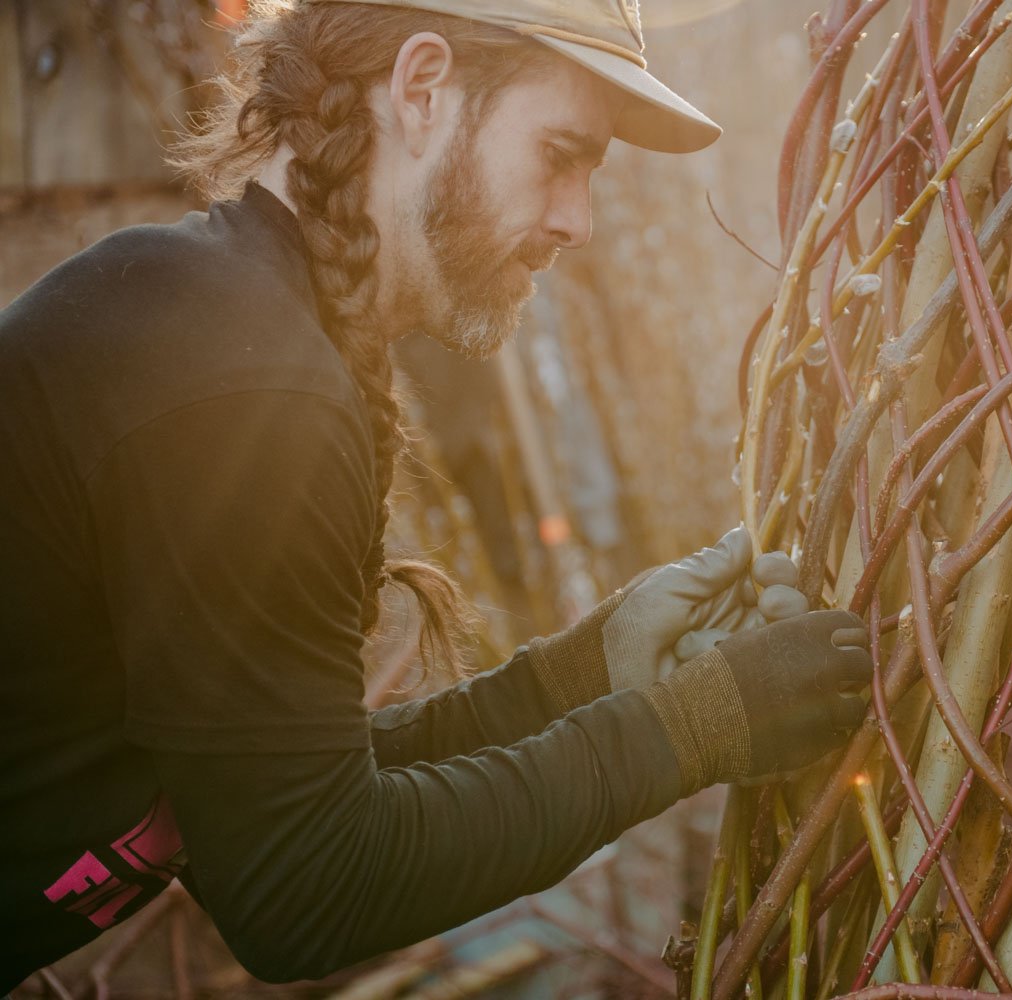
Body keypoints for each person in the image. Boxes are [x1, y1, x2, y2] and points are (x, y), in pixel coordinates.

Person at [0, 0, 873, 988]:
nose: (577, 220)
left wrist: (587, 671)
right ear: (419, 88)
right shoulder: (238, 386)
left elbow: (273, 795)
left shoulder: (247, 329)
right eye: (559, 152)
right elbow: (302, 884)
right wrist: (697, 724)